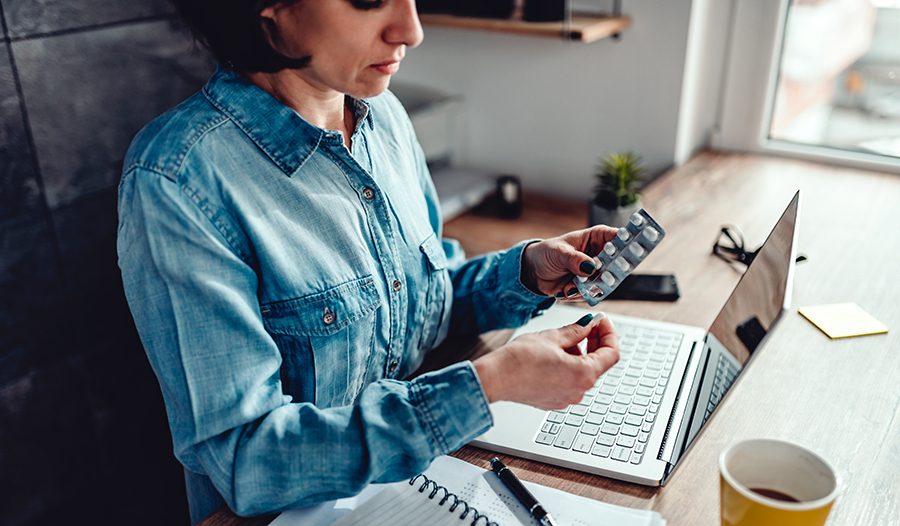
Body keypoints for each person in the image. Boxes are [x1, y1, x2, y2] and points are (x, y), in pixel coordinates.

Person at [116, 0, 621, 523]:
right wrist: (490, 386)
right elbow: (248, 460)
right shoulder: (176, 179)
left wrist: (523, 275)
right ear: (270, 14)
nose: (413, 30)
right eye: (368, 0)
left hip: (423, 483)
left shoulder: (385, 116)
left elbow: (424, 305)